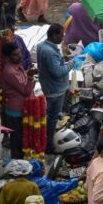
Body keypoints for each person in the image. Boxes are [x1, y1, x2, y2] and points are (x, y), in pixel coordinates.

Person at [37, 23, 71, 152]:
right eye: (61, 36)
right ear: (53, 35)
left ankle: (46, 140)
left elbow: (52, 65)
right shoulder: (50, 52)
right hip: (55, 90)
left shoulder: (42, 46)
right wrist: (70, 64)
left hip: (49, 86)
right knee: (52, 118)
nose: (62, 38)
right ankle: (48, 145)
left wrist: (62, 59)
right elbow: (57, 71)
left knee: (51, 115)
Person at [0, 42, 34, 160]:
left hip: (22, 108)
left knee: (22, 138)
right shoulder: (10, 71)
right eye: (15, 55)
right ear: (8, 57)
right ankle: (18, 163)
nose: (19, 56)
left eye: (19, 53)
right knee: (17, 140)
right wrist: (30, 78)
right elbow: (25, 90)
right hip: (15, 111)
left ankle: (22, 161)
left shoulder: (17, 65)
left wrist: (27, 74)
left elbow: (22, 81)